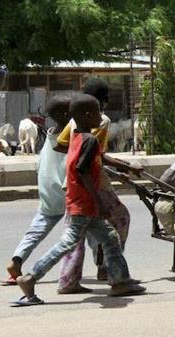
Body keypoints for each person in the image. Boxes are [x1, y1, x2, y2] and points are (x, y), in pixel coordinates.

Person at [13, 95, 145, 306]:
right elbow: (83, 171)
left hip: (80, 201)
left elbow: (96, 159)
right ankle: (31, 277)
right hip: (84, 203)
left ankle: (121, 281)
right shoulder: (90, 140)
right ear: (86, 115)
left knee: (110, 238)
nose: (101, 117)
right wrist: (99, 202)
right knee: (68, 242)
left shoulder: (78, 136)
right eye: (96, 113)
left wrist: (127, 166)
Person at [55, 77, 141, 293]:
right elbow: (96, 156)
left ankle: (68, 280)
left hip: (72, 183)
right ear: (101, 103)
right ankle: (111, 270)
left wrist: (79, 159)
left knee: (76, 234)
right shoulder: (101, 120)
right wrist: (125, 166)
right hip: (94, 184)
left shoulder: (75, 120)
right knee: (120, 220)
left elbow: (61, 145)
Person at [2, 96, 72, 286]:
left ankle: (16, 260)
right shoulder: (72, 132)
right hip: (66, 191)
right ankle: (102, 267)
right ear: (66, 114)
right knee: (88, 233)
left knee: (36, 230)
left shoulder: (50, 134)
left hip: (47, 191)